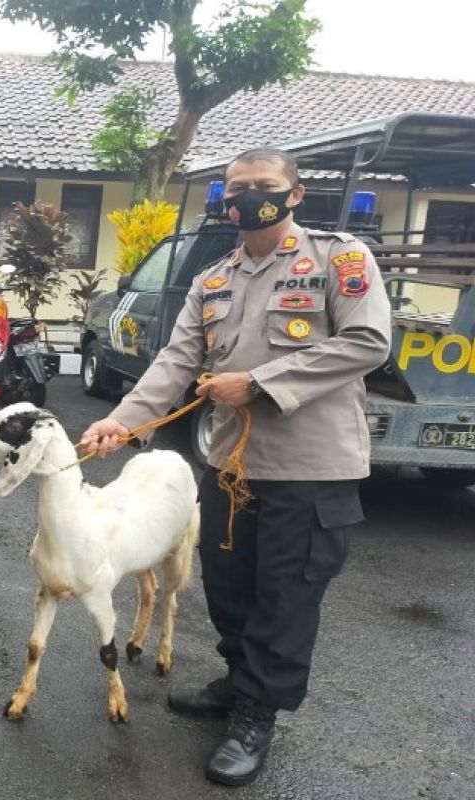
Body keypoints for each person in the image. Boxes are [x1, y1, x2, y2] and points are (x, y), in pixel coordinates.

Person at [80, 148, 391, 786]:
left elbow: (366, 343)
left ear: (295, 194)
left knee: (284, 595)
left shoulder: (340, 259)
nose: (250, 197)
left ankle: (257, 714)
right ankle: (237, 681)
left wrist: (260, 382)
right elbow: (173, 361)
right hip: (229, 464)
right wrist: (124, 420)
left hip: (311, 467)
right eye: (237, 188)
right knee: (228, 584)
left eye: (265, 187)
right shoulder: (213, 278)